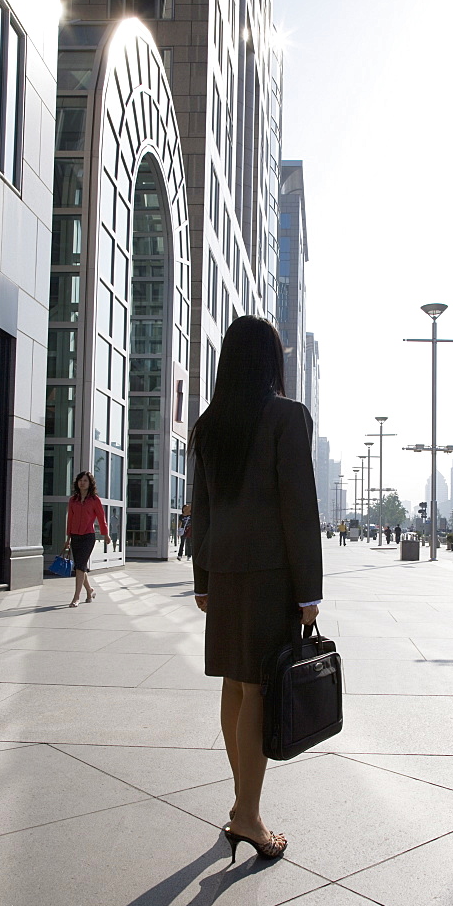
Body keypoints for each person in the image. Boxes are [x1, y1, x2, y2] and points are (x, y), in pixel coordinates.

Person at [191, 316, 322, 863]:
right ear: (272, 361)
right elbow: (299, 508)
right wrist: (309, 590)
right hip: (270, 576)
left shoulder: (209, 422)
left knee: (234, 687)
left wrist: (202, 577)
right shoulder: (287, 417)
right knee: (258, 690)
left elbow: (202, 508)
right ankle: (248, 816)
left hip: (223, 574)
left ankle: (244, 805)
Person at [63, 472, 110, 607]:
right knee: (80, 567)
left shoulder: (95, 500)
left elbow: (101, 518)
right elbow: (70, 519)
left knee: (80, 566)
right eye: (80, 480)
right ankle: (89, 590)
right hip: (75, 536)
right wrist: (68, 537)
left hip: (88, 537)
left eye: (85, 481)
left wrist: (105, 534)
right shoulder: (73, 500)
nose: (82, 483)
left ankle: (76, 597)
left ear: (90, 484)